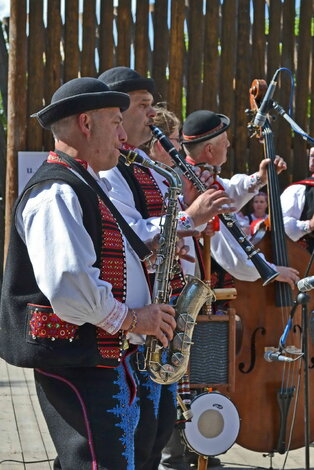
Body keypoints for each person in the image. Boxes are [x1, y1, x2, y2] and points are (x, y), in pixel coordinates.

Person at [0, 77, 179, 470]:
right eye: (116, 122)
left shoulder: (84, 181)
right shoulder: (57, 192)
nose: (122, 135)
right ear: (86, 123)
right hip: (79, 358)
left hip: (99, 353)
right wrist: (134, 318)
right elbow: (69, 286)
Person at [98, 67, 234, 470]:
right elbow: (134, 236)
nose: (152, 115)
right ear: (115, 113)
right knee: (136, 435)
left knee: (156, 429)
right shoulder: (107, 171)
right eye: (144, 106)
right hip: (131, 323)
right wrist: (189, 217)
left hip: (160, 312)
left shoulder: (144, 164)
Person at [281, 146, 314, 253]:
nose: (313, 158)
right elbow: (278, 227)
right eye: (312, 155)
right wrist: (308, 225)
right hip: (305, 262)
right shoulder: (296, 190)